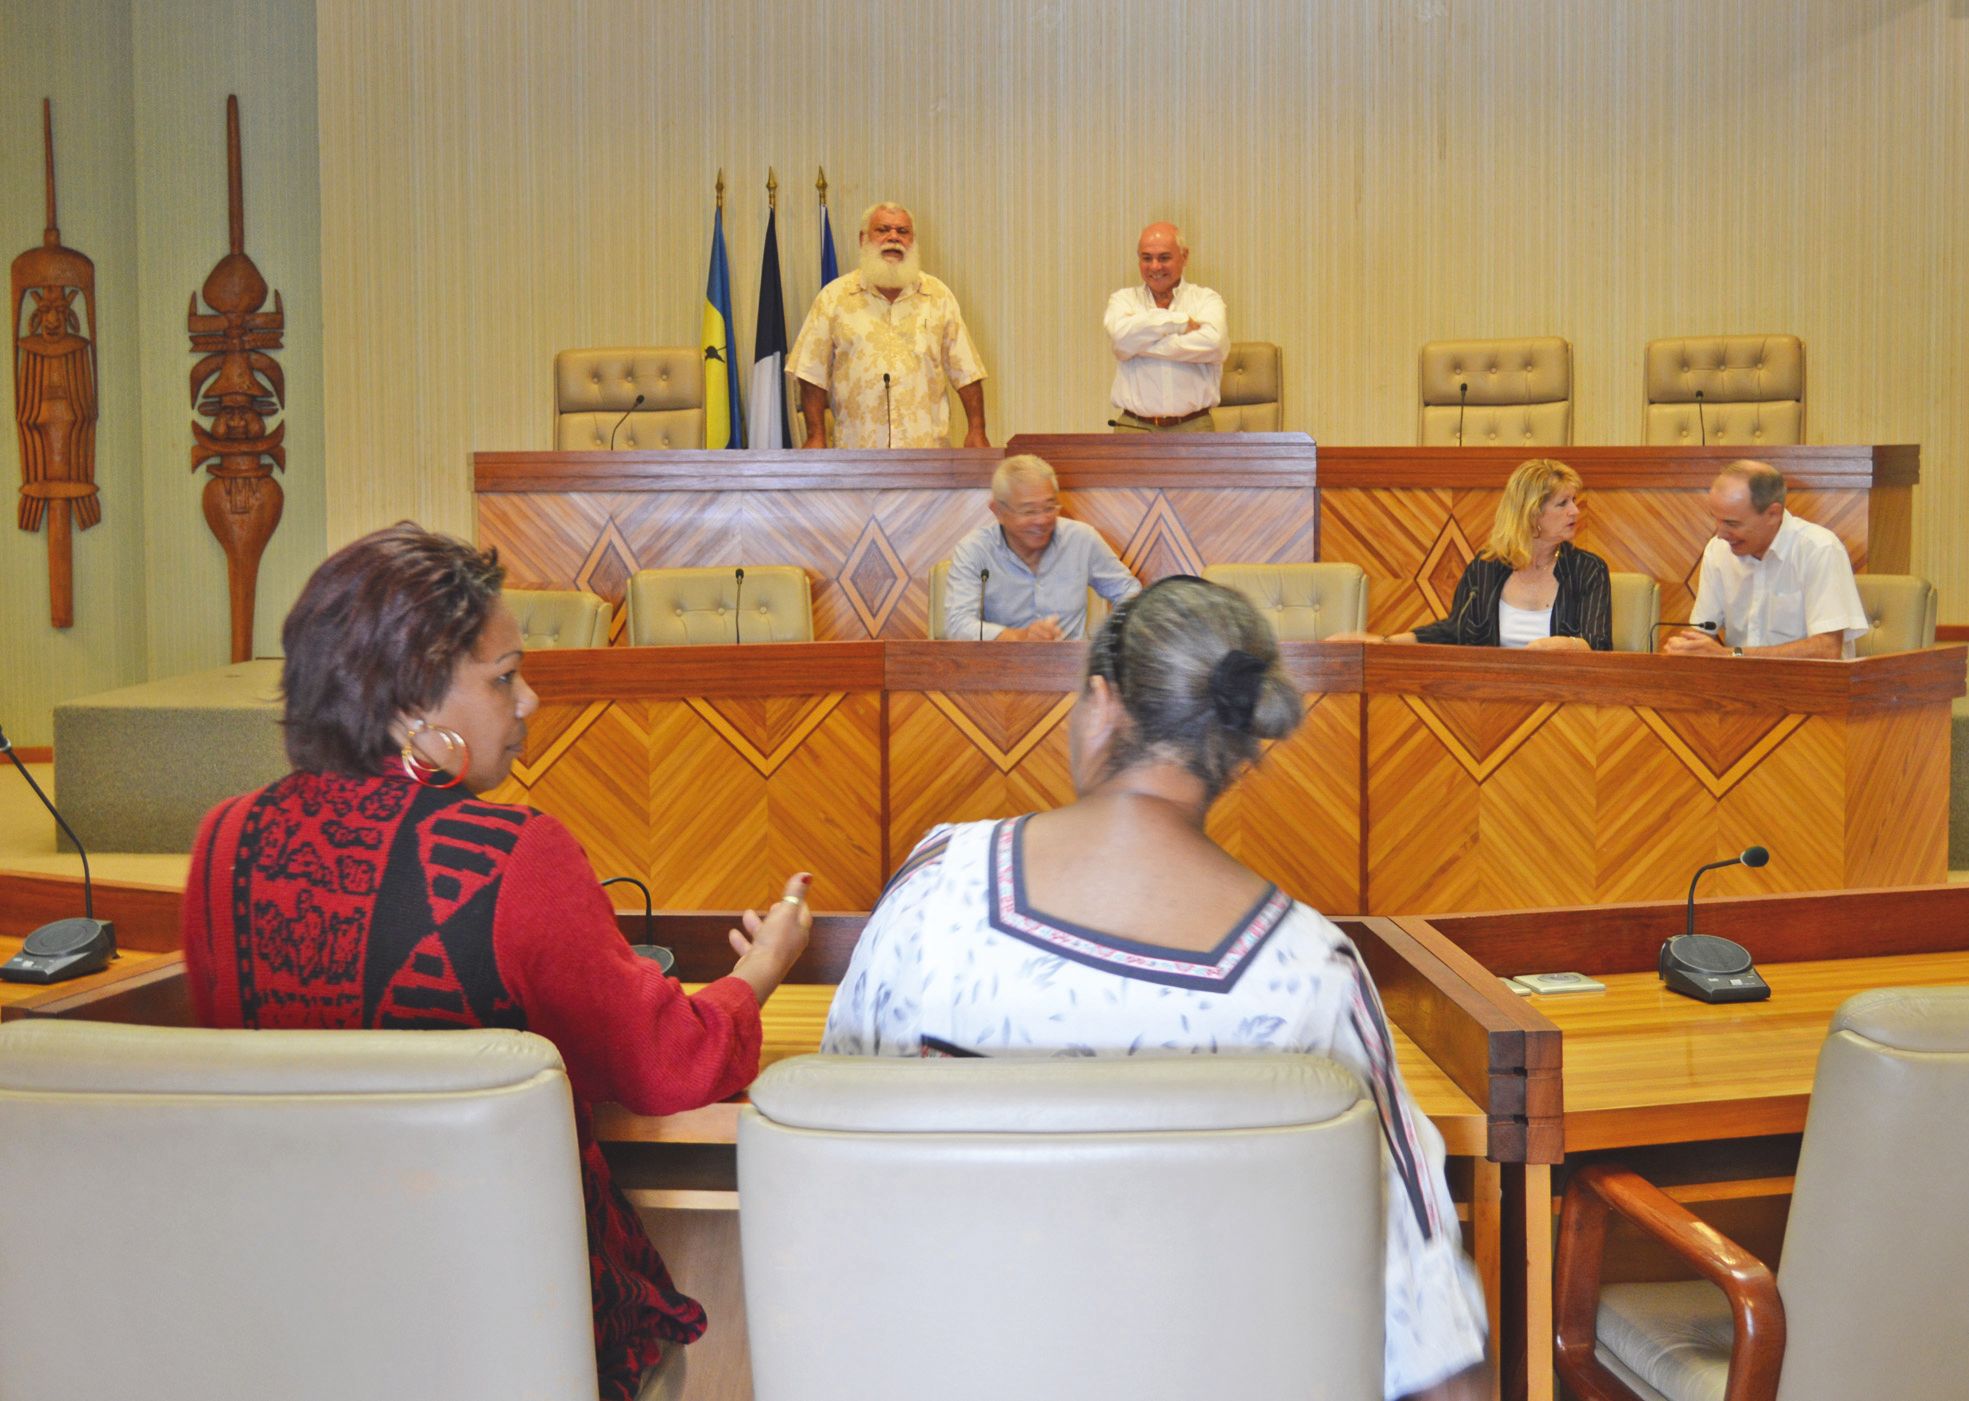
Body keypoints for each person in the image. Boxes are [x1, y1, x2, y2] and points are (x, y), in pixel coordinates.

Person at [180, 525, 811, 1401]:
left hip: (289, 1308)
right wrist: (759, 972)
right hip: (498, 1307)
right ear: (411, 706)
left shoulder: (223, 840)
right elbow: (666, 1063)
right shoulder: (510, 854)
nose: (531, 702)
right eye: (505, 676)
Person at [824, 576, 1489, 1401]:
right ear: (1239, 748)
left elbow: (835, 1159)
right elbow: (1424, 1319)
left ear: (1103, 703)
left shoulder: (934, 886)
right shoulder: (1310, 974)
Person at [1337, 457, 1612, 650]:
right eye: (1562, 503)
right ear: (1531, 513)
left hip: (1567, 706)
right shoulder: (1486, 568)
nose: (1575, 511)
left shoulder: (1587, 570)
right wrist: (1386, 642)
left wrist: (1568, 645)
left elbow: (1598, 643)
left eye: (1574, 501)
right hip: (1488, 701)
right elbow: (1455, 630)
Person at [789, 202, 988, 449]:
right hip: (856, 456)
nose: (893, 237)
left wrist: (977, 430)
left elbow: (967, 372)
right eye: (882, 230)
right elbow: (811, 372)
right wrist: (815, 435)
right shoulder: (833, 298)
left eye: (902, 232)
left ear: (913, 241)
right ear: (863, 239)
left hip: (926, 456)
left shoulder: (938, 296)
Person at [1664, 459, 1870, 658]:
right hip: (1738, 685)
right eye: (1716, 520)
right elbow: (1703, 630)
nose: (1720, 533)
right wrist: (1688, 648)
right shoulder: (1718, 550)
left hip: (1810, 686)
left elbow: (1826, 649)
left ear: (1773, 514)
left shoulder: (1819, 549)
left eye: (1731, 523)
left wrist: (1732, 655)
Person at [943, 453, 1141, 641]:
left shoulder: (1081, 539)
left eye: (1049, 507)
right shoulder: (975, 550)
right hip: (1001, 667)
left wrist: (1108, 641)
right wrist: (1019, 637)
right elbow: (957, 625)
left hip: (1070, 667)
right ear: (998, 510)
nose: (1042, 520)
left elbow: (1129, 592)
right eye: (1029, 511)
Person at [1103, 221, 1228, 432]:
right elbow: (1120, 340)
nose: (1155, 267)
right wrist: (1177, 322)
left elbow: (1214, 345)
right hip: (1134, 428)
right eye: (1146, 258)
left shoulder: (1207, 300)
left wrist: (1139, 346)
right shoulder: (1123, 300)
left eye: (1164, 258)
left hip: (1194, 427)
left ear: (1184, 256)